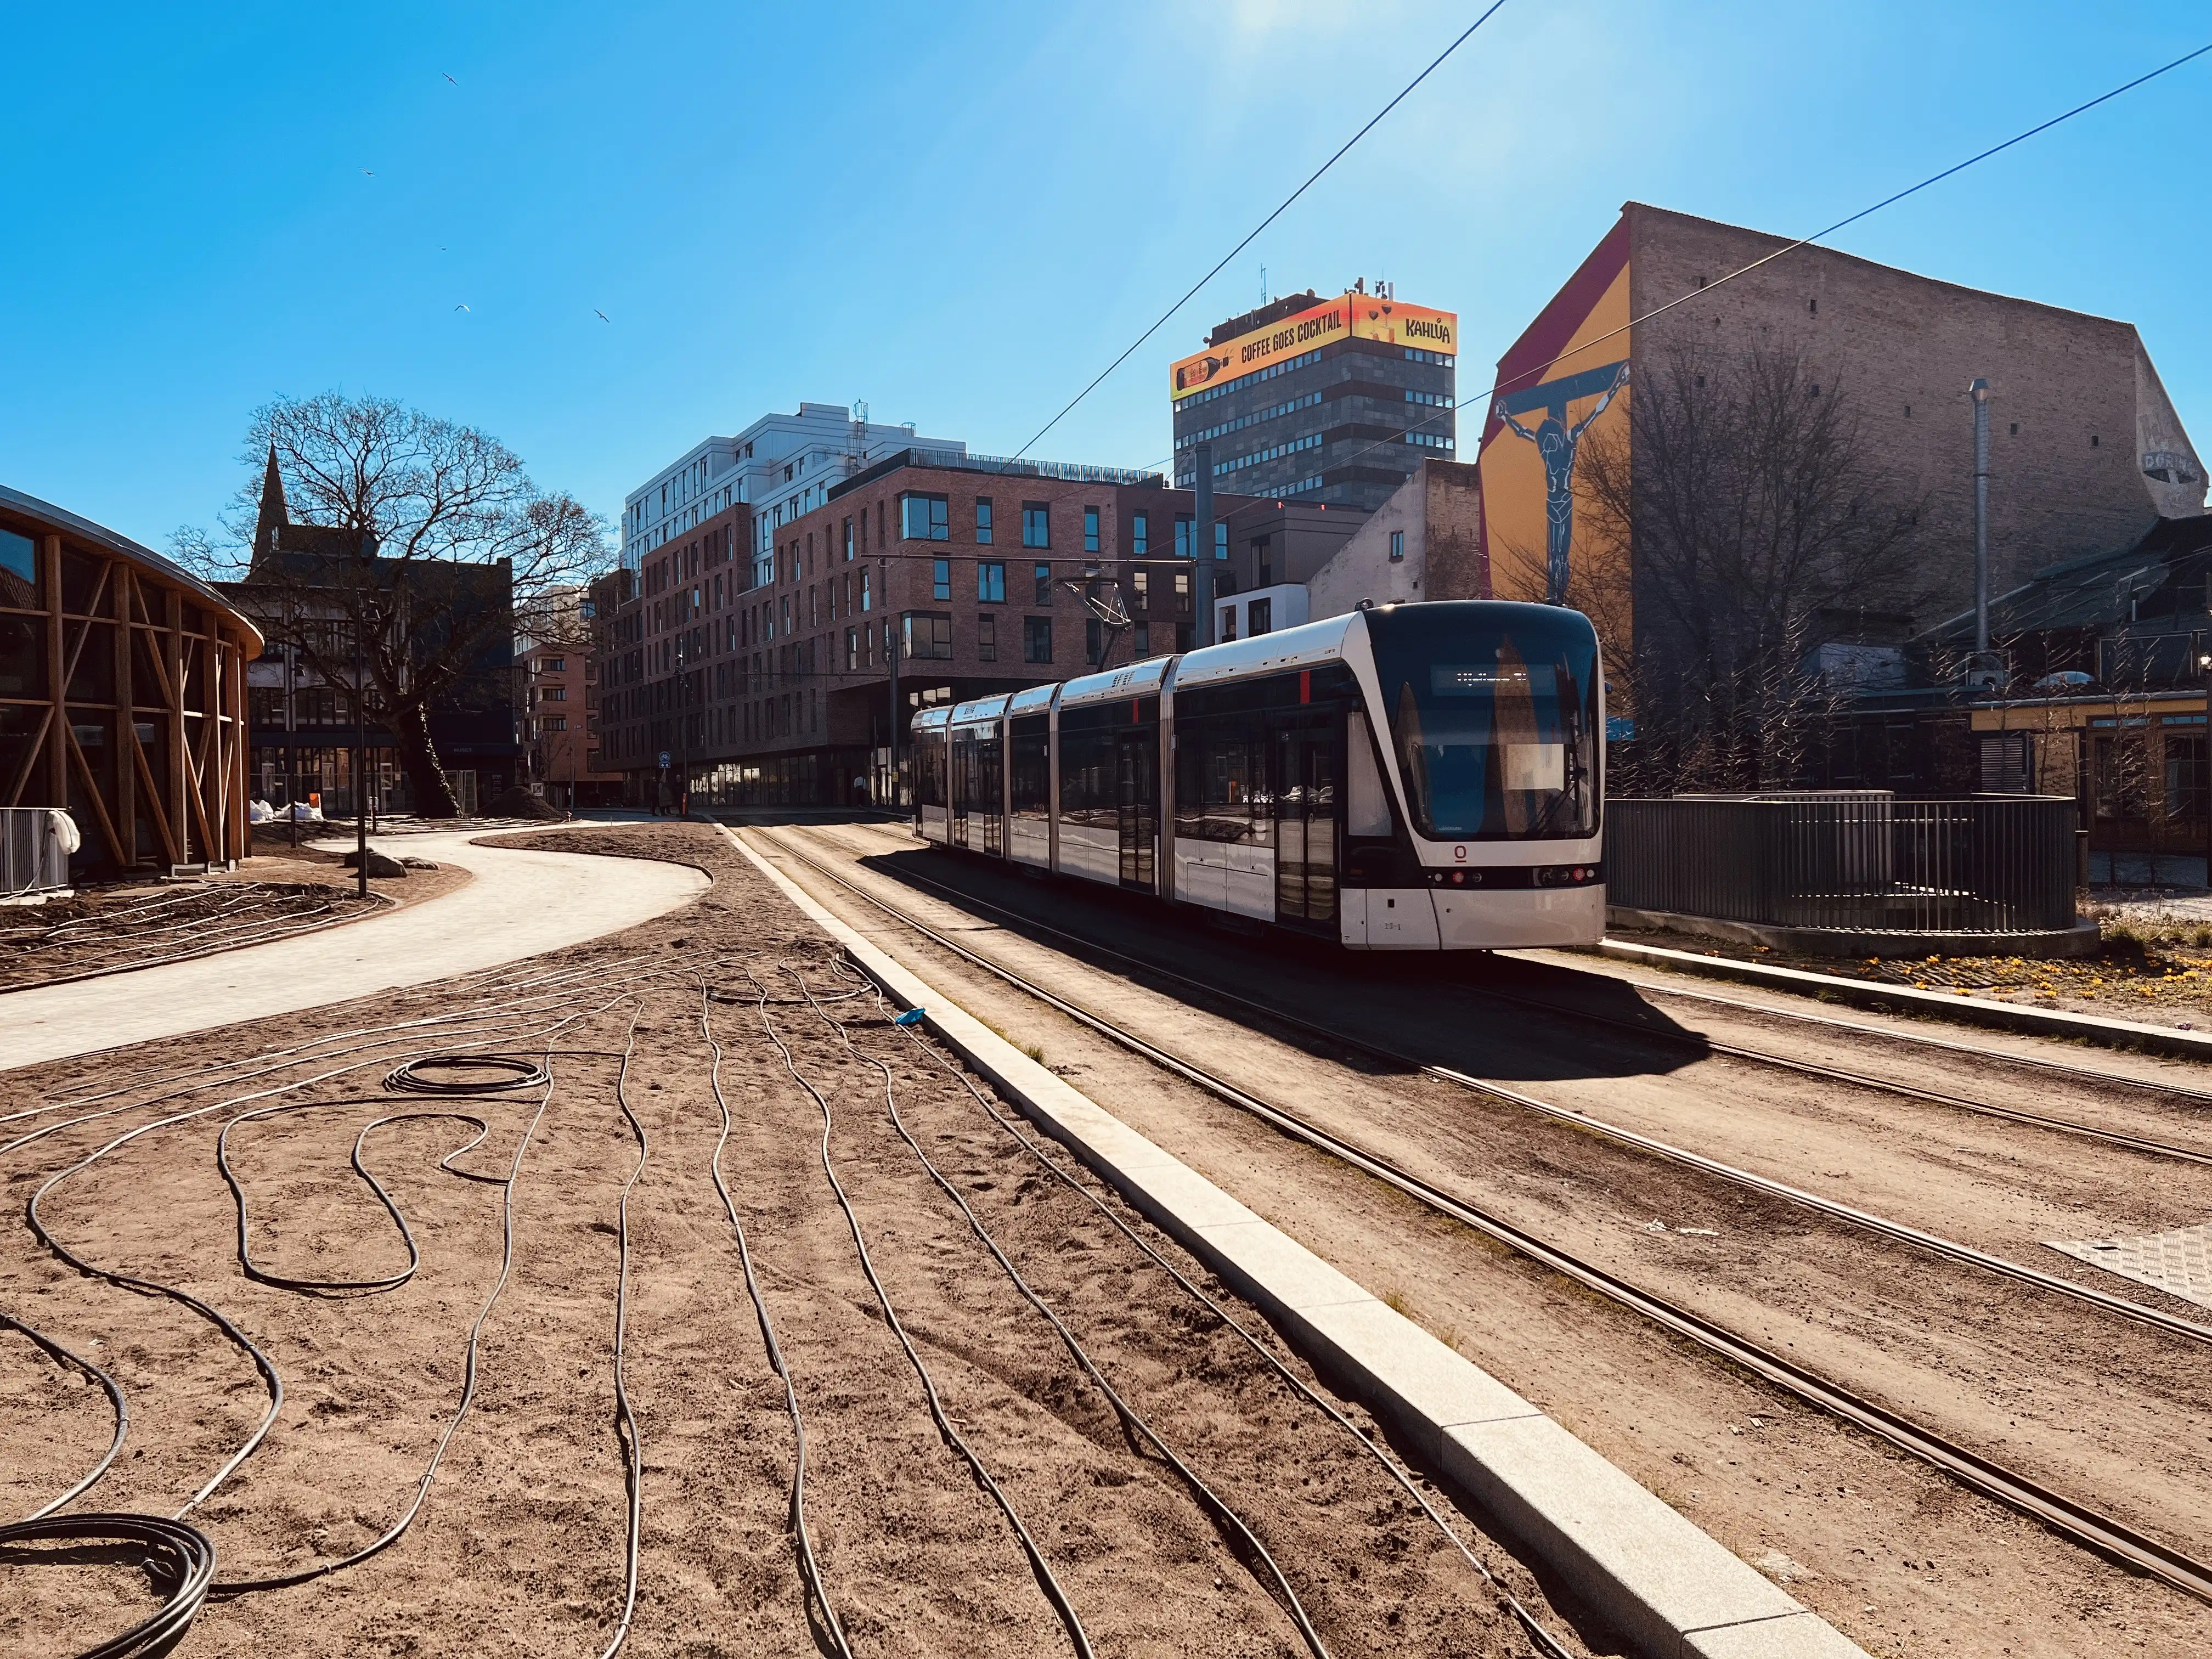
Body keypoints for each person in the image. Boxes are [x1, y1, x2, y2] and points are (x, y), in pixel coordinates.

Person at [1494, 362, 1628, 605]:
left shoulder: (1568, 440)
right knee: (1552, 555)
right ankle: (1553, 596)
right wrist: (1506, 418)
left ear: (1555, 437)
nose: (1545, 448)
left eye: (1548, 442)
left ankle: (1560, 596)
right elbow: (1522, 431)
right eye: (1543, 444)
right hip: (1551, 502)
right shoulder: (1545, 445)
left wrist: (1616, 385)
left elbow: (1594, 414)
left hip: (1564, 502)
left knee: (1561, 556)